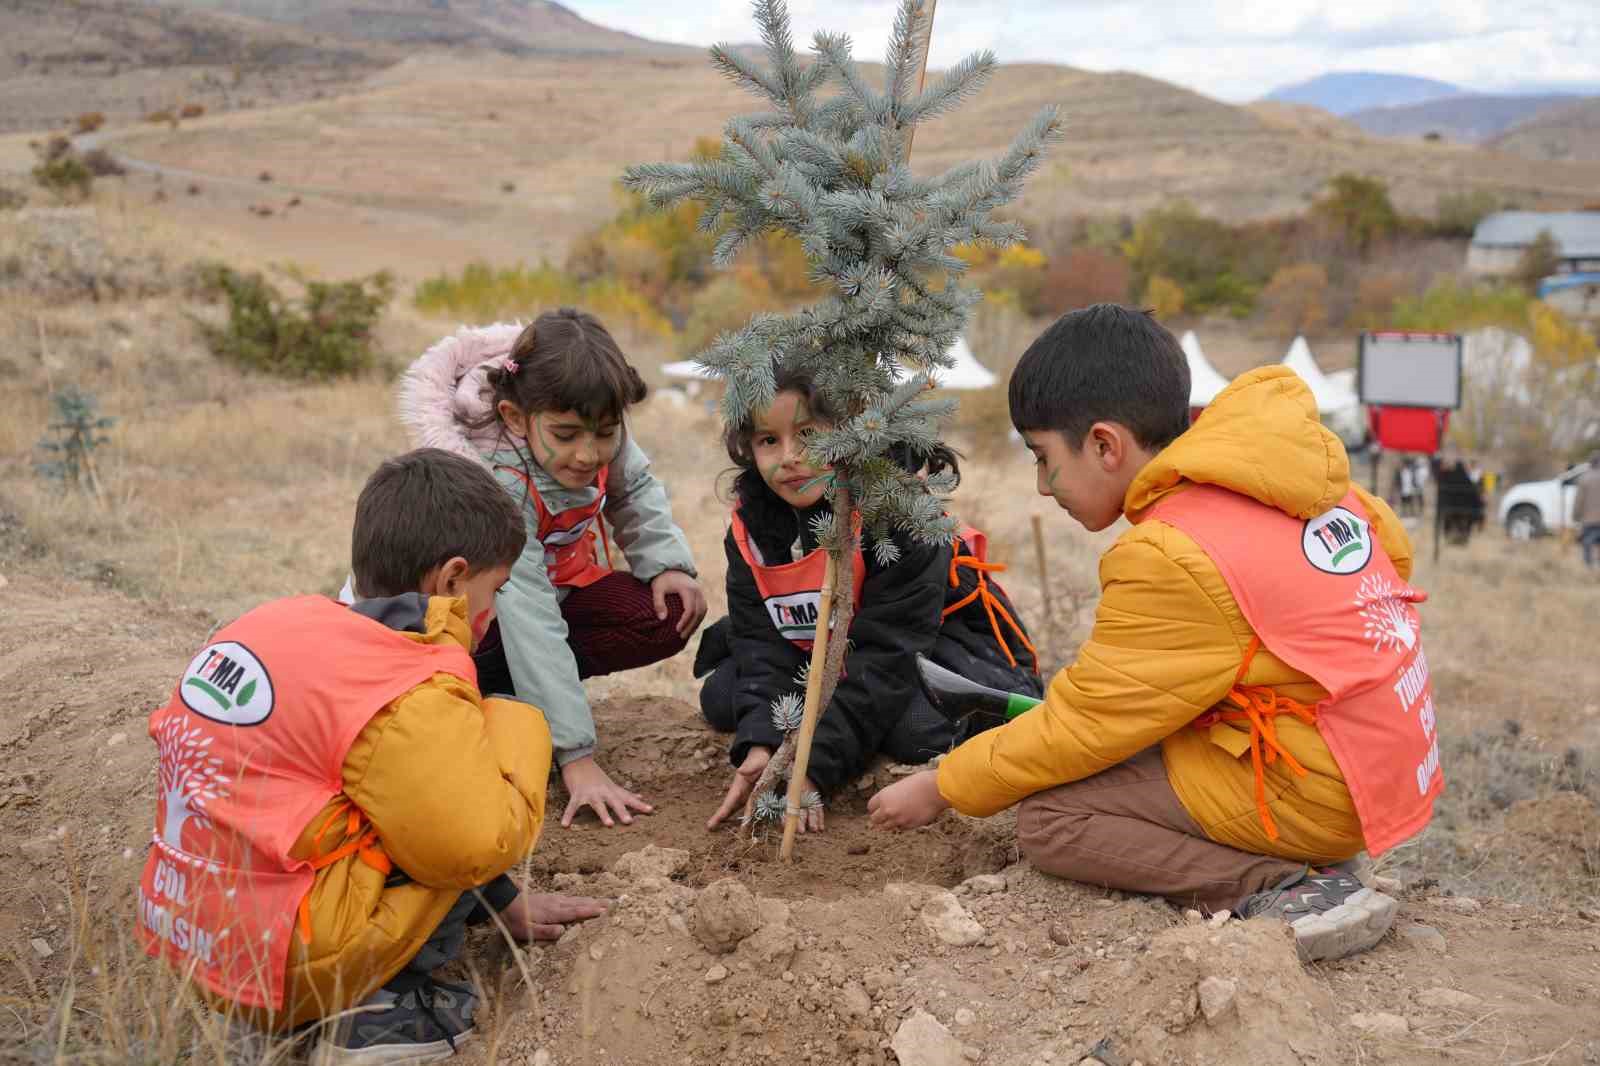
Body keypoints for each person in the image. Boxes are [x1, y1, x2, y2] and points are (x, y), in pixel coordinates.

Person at [869, 305, 1440, 964]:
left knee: (1053, 820)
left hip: (1318, 785)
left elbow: (1083, 728)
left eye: (1043, 457)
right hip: (1384, 758)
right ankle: (1305, 845)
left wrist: (943, 786)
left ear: (1106, 445)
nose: (1042, 486)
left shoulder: (1173, 552)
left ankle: (1290, 887)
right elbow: (1390, 559)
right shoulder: (1298, 484)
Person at [140, 449, 607, 1061]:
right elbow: (469, 842)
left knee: (397, 794)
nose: (491, 620)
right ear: (451, 580)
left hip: (191, 932)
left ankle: (273, 1015)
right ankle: (377, 1016)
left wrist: (502, 903)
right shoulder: (402, 684)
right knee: (458, 793)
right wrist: (517, 726)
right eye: (494, 593)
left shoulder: (283, 622)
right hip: (292, 961)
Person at [392, 309, 707, 828]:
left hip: (559, 591)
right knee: (484, 656)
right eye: (566, 435)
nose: (589, 453)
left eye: (604, 434)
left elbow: (636, 489)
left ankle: (521, 697)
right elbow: (527, 609)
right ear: (515, 417)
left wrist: (665, 564)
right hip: (477, 621)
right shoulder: (494, 479)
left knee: (666, 612)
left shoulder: (589, 419)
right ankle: (488, 695)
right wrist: (575, 756)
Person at [698, 364, 1043, 832]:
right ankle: (846, 723)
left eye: (808, 434)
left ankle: (861, 731)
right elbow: (762, 641)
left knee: (915, 729)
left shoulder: (902, 519)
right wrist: (766, 747)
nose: (790, 457)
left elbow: (889, 657)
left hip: (933, 650)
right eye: (768, 441)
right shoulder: (751, 527)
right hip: (820, 653)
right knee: (722, 697)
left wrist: (814, 766)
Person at [1576, 452, 1600, 569]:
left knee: (1587, 541)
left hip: (1589, 518)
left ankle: (1588, 565)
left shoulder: (1584, 479)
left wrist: (1575, 516)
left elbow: (1579, 500)